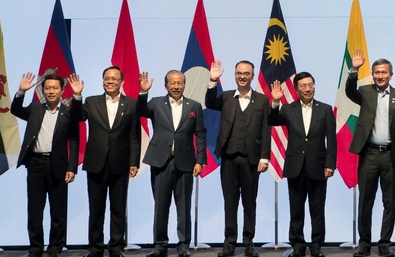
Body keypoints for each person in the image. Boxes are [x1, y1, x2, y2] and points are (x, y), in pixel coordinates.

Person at [345, 48, 395, 257]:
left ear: (391, 75)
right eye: (377, 73)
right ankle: (365, 243)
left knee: (389, 201)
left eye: (384, 73)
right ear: (373, 74)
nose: (380, 76)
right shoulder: (365, 92)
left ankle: (384, 244)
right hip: (370, 154)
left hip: (392, 155)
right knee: (366, 199)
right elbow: (349, 92)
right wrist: (354, 70)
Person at [70, 67, 142, 257]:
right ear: (102, 81)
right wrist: (77, 96)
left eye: (114, 79)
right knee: (96, 207)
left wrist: (134, 162)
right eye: (106, 78)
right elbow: (77, 117)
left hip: (121, 162)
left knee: (118, 208)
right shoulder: (91, 102)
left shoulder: (132, 104)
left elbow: (134, 136)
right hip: (96, 162)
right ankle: (95, 247)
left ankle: (116, 247)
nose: (110, 81)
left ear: (121, 82)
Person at [204, 60, 271, 257]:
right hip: (229, 159)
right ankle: (229, 242)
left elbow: (266, 130)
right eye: (239, 73)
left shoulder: (262, 100)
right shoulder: (225, 97)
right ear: (234, 75)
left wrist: (264, 157)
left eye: (246, 73)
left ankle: (249, 242)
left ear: (252, 76)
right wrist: (213, 80)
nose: (242, 76)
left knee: (250, 203)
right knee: (230, 202)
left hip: (252, 159)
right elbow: (209, 103)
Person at [137, 70, 207, 257]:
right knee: (161, 205)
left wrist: (200, 160)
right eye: (172, 83)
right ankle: (160, 245)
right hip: (161, 162)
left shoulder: (194, 106)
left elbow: (200, 134)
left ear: (184, 84)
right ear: (166, 85)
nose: (176, 86)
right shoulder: (156, 103)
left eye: (180, 83)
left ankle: (183, 245)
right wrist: (143, 93)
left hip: (185, 162)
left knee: (184, 206)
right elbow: (141, 111)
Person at [11, 72, 80, 257]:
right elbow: (16, 110)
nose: (51, 91)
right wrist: (20, 92)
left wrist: (72, 168)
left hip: (58, 166)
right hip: (35, 165)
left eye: (55, 88)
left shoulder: (69, 113)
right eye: (47, 88)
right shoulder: (35, 109)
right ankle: (35, 249)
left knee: (58, 212)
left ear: (62, 90)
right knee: (35, 210)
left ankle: (55, 249)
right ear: (43, 90)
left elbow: (74, 140)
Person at [268, 73, 336, 257]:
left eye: (310, 85)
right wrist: (275, 103)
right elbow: (272, 121)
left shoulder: (325, 109)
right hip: (295, 166)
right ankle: (297, 245)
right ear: (297, 89)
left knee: (317, 209)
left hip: (319, 167)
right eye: (304, 86)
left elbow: (332, 139)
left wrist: (331, 164)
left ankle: (316, 246)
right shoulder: (288, 109)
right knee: (296, 209)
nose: (308, 89)